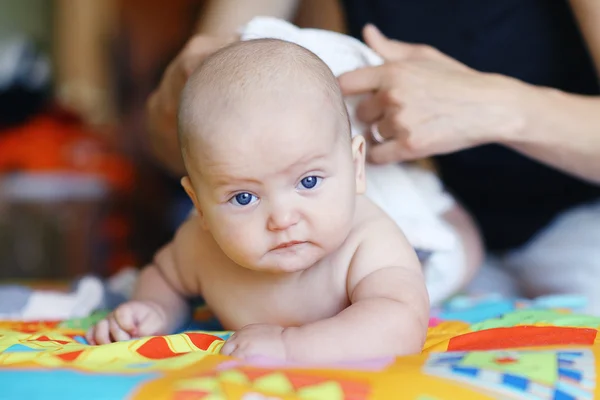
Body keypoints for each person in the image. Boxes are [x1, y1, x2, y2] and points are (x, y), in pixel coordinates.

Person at [146, 0, 600, 314]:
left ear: (356, 161)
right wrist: (184, 100)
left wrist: (495, 108)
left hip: (574, 221)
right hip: (411, 237)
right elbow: (180, 141)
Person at [87, 39, 430, 362]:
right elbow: (164, 276)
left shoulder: (368, 244)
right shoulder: (200, 246)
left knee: (451, 247)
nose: (282, 218)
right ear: (200, 204)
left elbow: (400, 324)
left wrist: (290, 347)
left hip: (423, 245)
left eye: (308, 181)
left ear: (356, 168)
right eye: (244, 197)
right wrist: (154, 308)